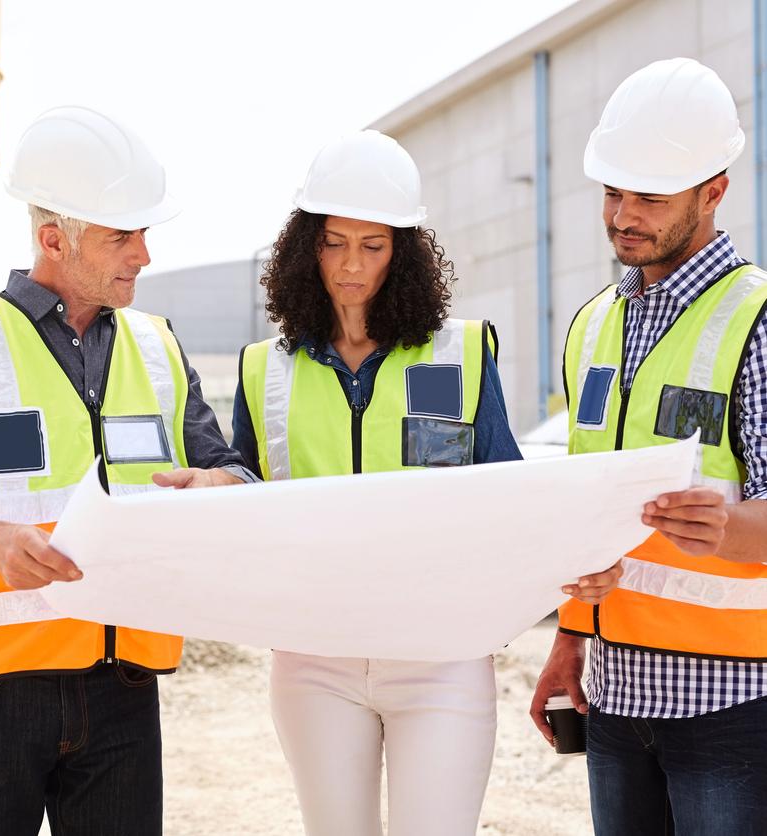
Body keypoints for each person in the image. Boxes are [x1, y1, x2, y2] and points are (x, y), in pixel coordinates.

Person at [231, 130, 621, 836]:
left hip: (442, 660)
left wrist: (570, 561)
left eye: (372, 245)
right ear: (304, 246)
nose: (350, 265)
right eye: (333, 242)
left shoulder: (463, 351)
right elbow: (241, 498)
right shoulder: (266, 369)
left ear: (401, 252)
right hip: (314, 662)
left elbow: (510, 496)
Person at [0, 105, 256, 836]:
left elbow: (234, 476)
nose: (143, 255)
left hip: (122, 694)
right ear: (54, 239)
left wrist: (217, 486)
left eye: (145, 234)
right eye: (123, 236)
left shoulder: (158, 348)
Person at [529, 57, 767, 835]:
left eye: (650, 198)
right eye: (612, 192)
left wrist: (733, 530)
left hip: (733, 704)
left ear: (714, 192)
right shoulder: (595, 323)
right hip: (615, 695)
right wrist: (570, 636)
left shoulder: (757, 321)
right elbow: (584, 502)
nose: (624, 214)